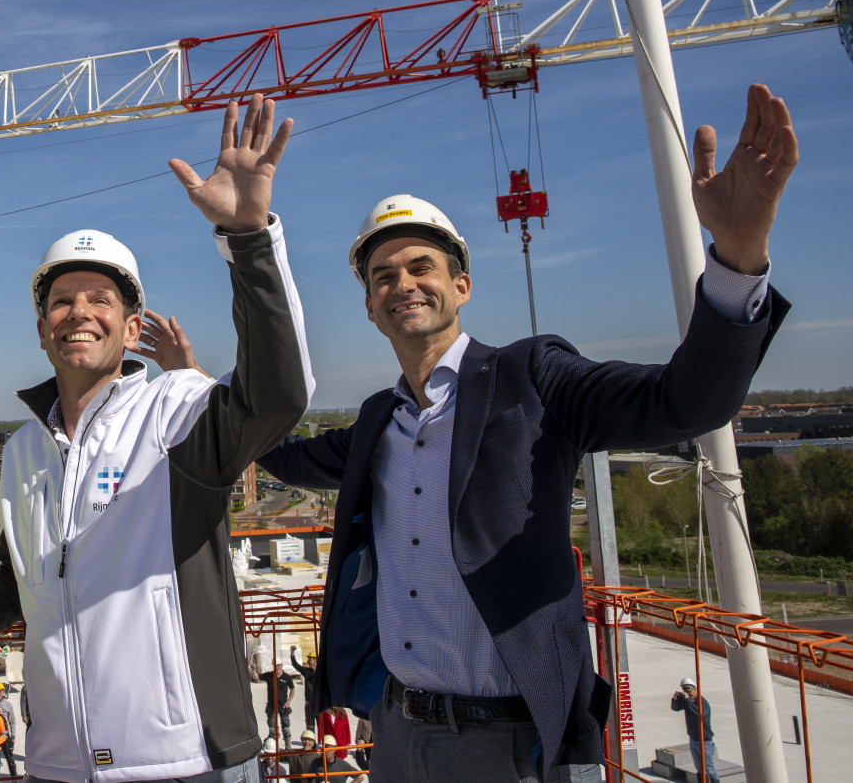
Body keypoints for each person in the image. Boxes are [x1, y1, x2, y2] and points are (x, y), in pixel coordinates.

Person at [256, 83, 797, 783]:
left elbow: (685, 402)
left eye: (423, 266)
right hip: (395, 732)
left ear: (463, 284)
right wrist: (210, 399)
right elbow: (285, 457)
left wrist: (737, 255)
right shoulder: (376, 423)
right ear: (368, 305)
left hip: (512, 744)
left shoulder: (533, 378)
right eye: (383, 275)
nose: (404, 283)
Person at [0, 96, 313, 783]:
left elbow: (278, 392)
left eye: (103, 299)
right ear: (42, 329)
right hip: (60, 763)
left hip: (185, 761)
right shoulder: (22, 451)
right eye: (62, 299)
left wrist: (248, 239)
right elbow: (22, 574)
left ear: (132, 330)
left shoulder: (174, 412)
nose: (80, 312)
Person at [671, 679, 718, 781]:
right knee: (699, 768)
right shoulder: (689, 703)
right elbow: (675, 708)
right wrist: (675, 699)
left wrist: (687, 700)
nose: (688, 693)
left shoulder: (702, 702)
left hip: (705, 741)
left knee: (709, 768)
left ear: (696, 689)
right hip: (693, 739)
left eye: (689, 690)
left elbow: (699, 714)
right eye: (685, 690)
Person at [259, 660, 296, 748]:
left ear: (282, 665)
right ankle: (273, 746)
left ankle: (288, 747)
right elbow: (256, 677)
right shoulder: (269, 676)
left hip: (283, 706)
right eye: (275, 665)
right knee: (272, 728)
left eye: (278, 665)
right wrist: (253, 670)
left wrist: (288, 702)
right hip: (272, 706)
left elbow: (292, 689)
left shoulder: (287, 677)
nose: (277, 667)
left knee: (286, 727)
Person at [287, 647, 321, 733]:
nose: (308, 661)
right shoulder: (307, 671)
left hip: (320, 704)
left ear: (315, 660)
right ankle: (312, 744)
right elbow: (296, 665)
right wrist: (292, 653)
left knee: (322, 728)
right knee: (310, 728)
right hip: (309, 704)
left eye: (310, 659)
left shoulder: (322, 672)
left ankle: (321, 744)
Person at [0, 683, 19, 770]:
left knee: (10, 758)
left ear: (3, 692)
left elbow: (12, 721)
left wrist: (13, 737)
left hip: (6, 734)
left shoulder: (8, 705)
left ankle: (14, 777)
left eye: (0, 691)